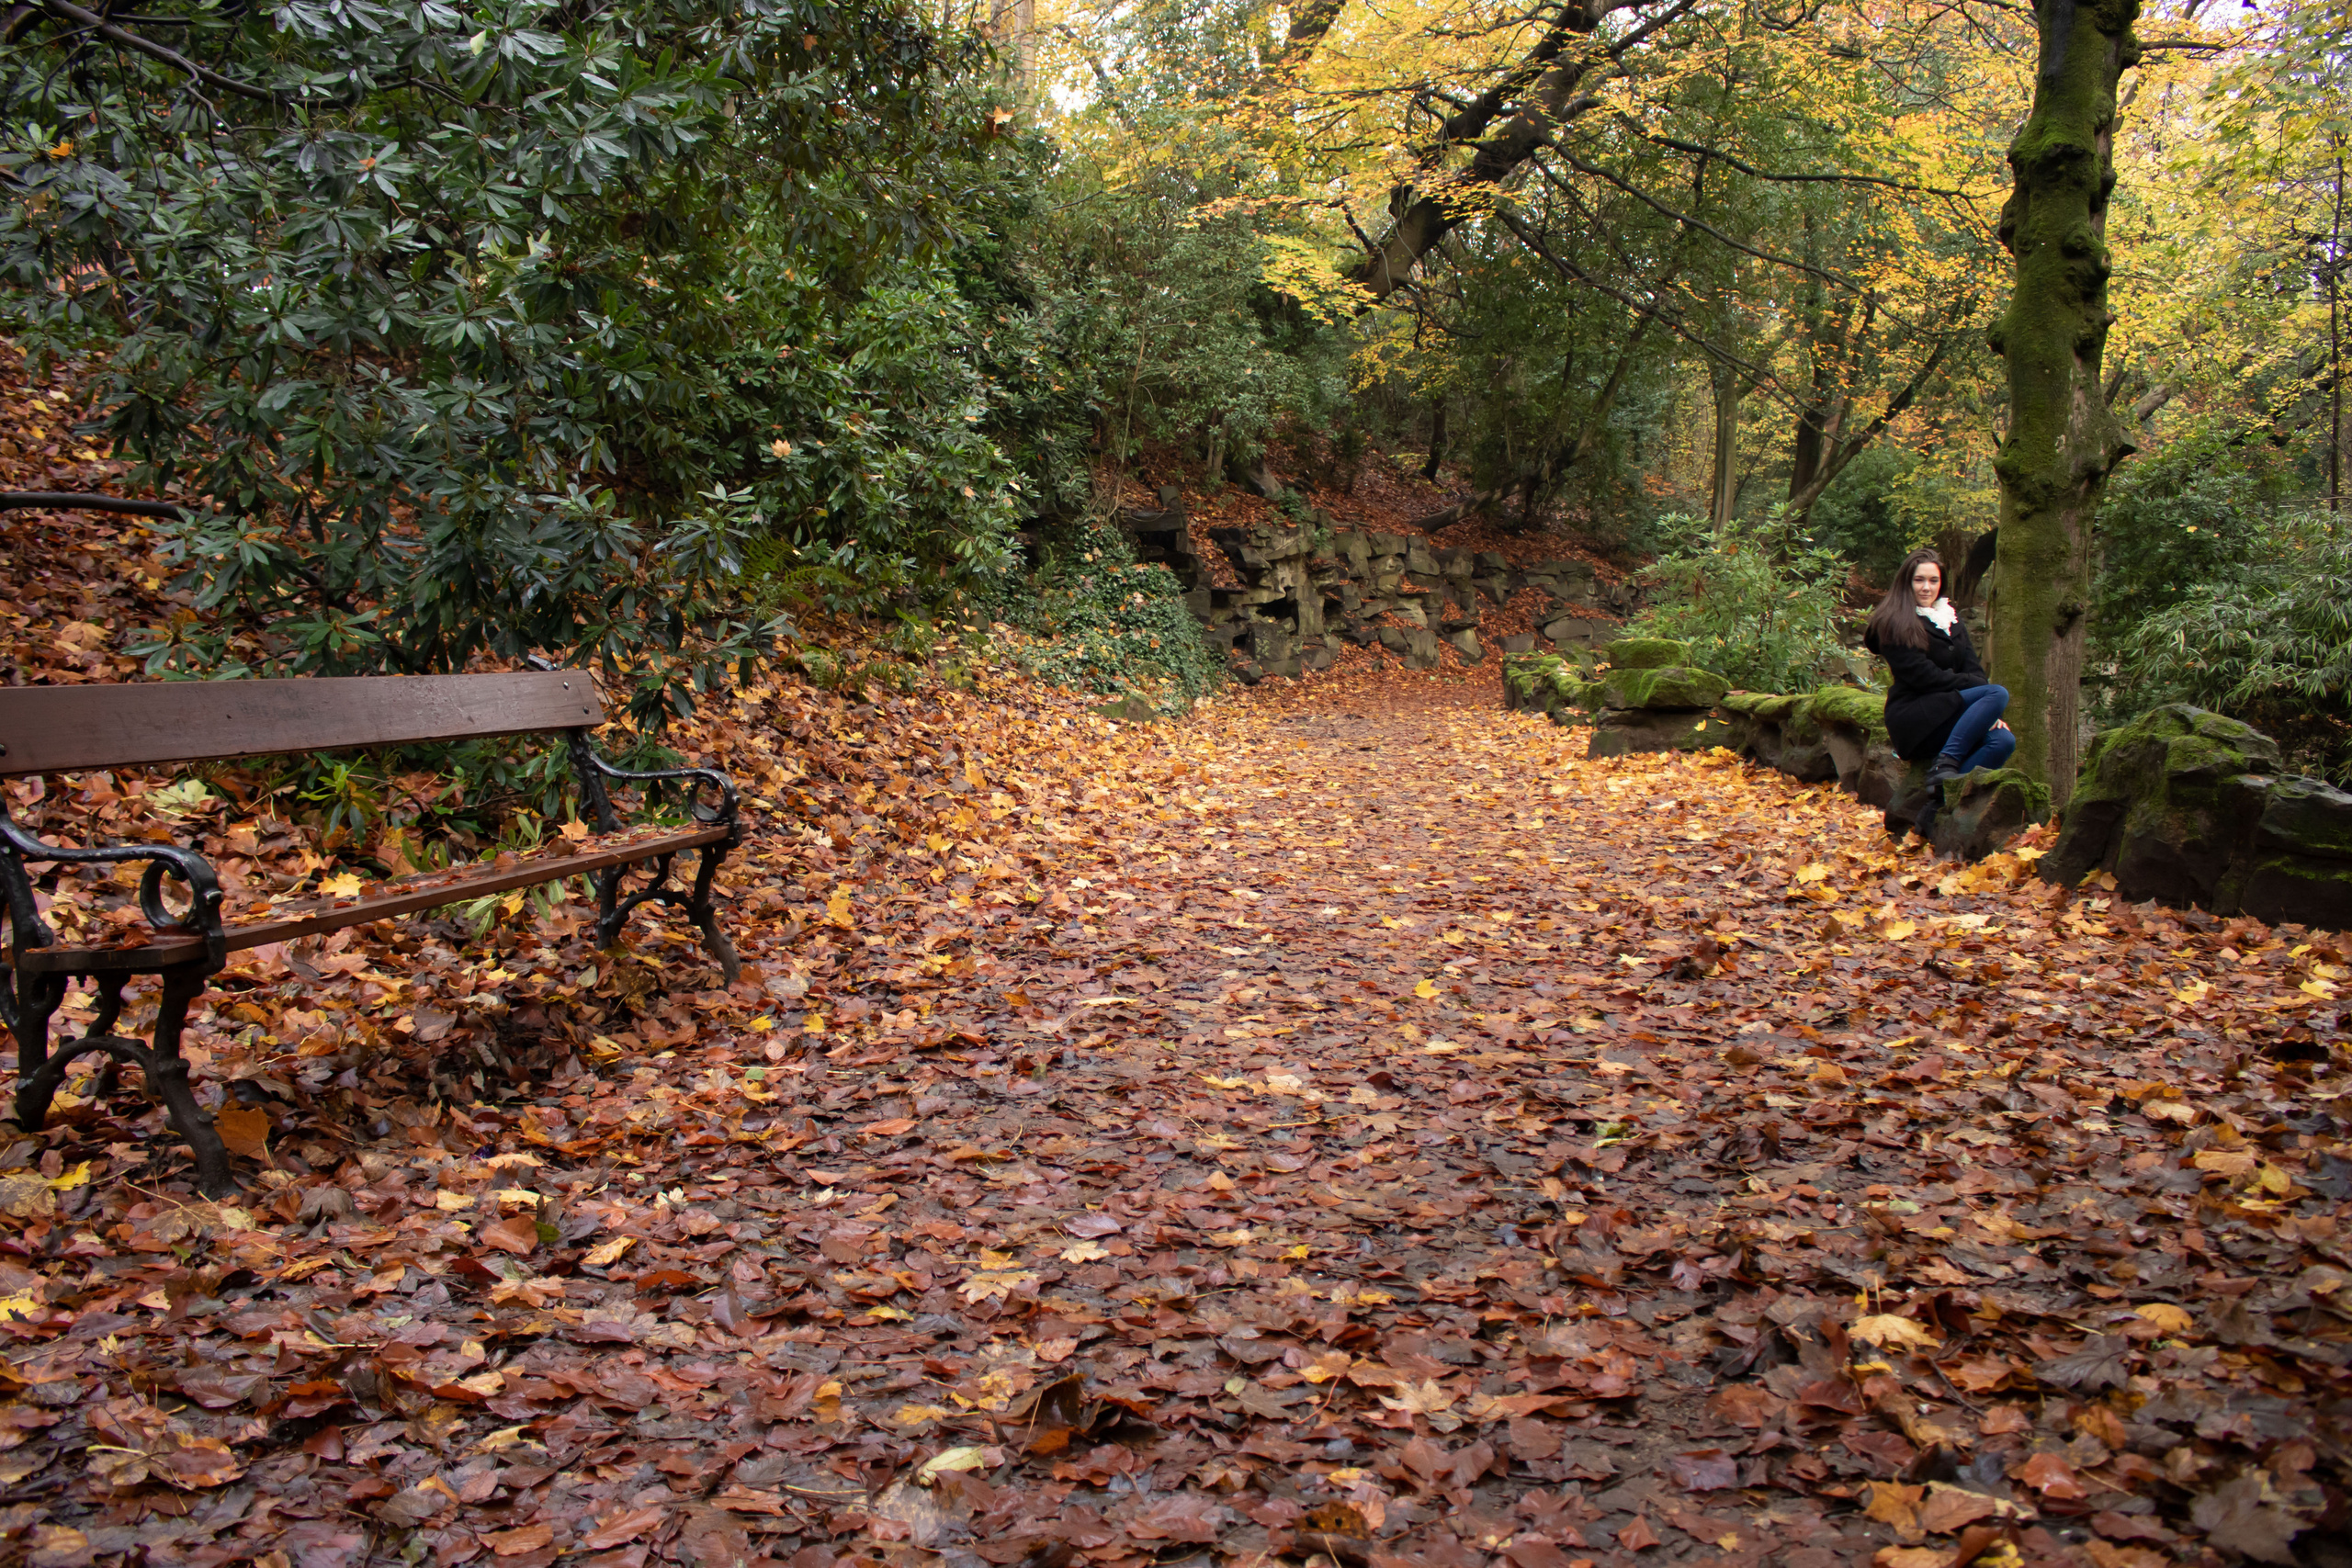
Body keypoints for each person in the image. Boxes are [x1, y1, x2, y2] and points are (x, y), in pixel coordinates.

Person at [1861, 547, 2014, 844]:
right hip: (1914, 719)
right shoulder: (1894, 622)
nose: (1927, 587)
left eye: (1933, 580)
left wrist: (1987, 714)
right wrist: (1976, 692)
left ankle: (1938, 802)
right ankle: (1945, 765)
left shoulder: (1949, 619)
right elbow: (1925, 677)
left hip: (1950, 713)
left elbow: (1976, 671)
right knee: (1997, 693)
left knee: (2004, 740)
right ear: (1907, 582)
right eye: (1919, 580)